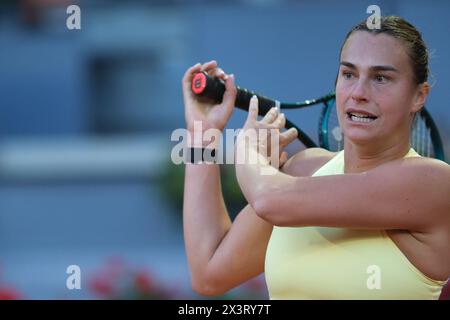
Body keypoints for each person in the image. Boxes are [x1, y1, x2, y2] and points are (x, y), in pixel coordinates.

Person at [182, 16, 449, 299]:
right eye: (348, 74)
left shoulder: (434, 183)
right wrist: (203, 134)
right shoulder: (300, 170)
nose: (358, 92)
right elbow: (208, 274)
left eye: (381, 78)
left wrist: (248, 152)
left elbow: (268, 200)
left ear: (419, 95)